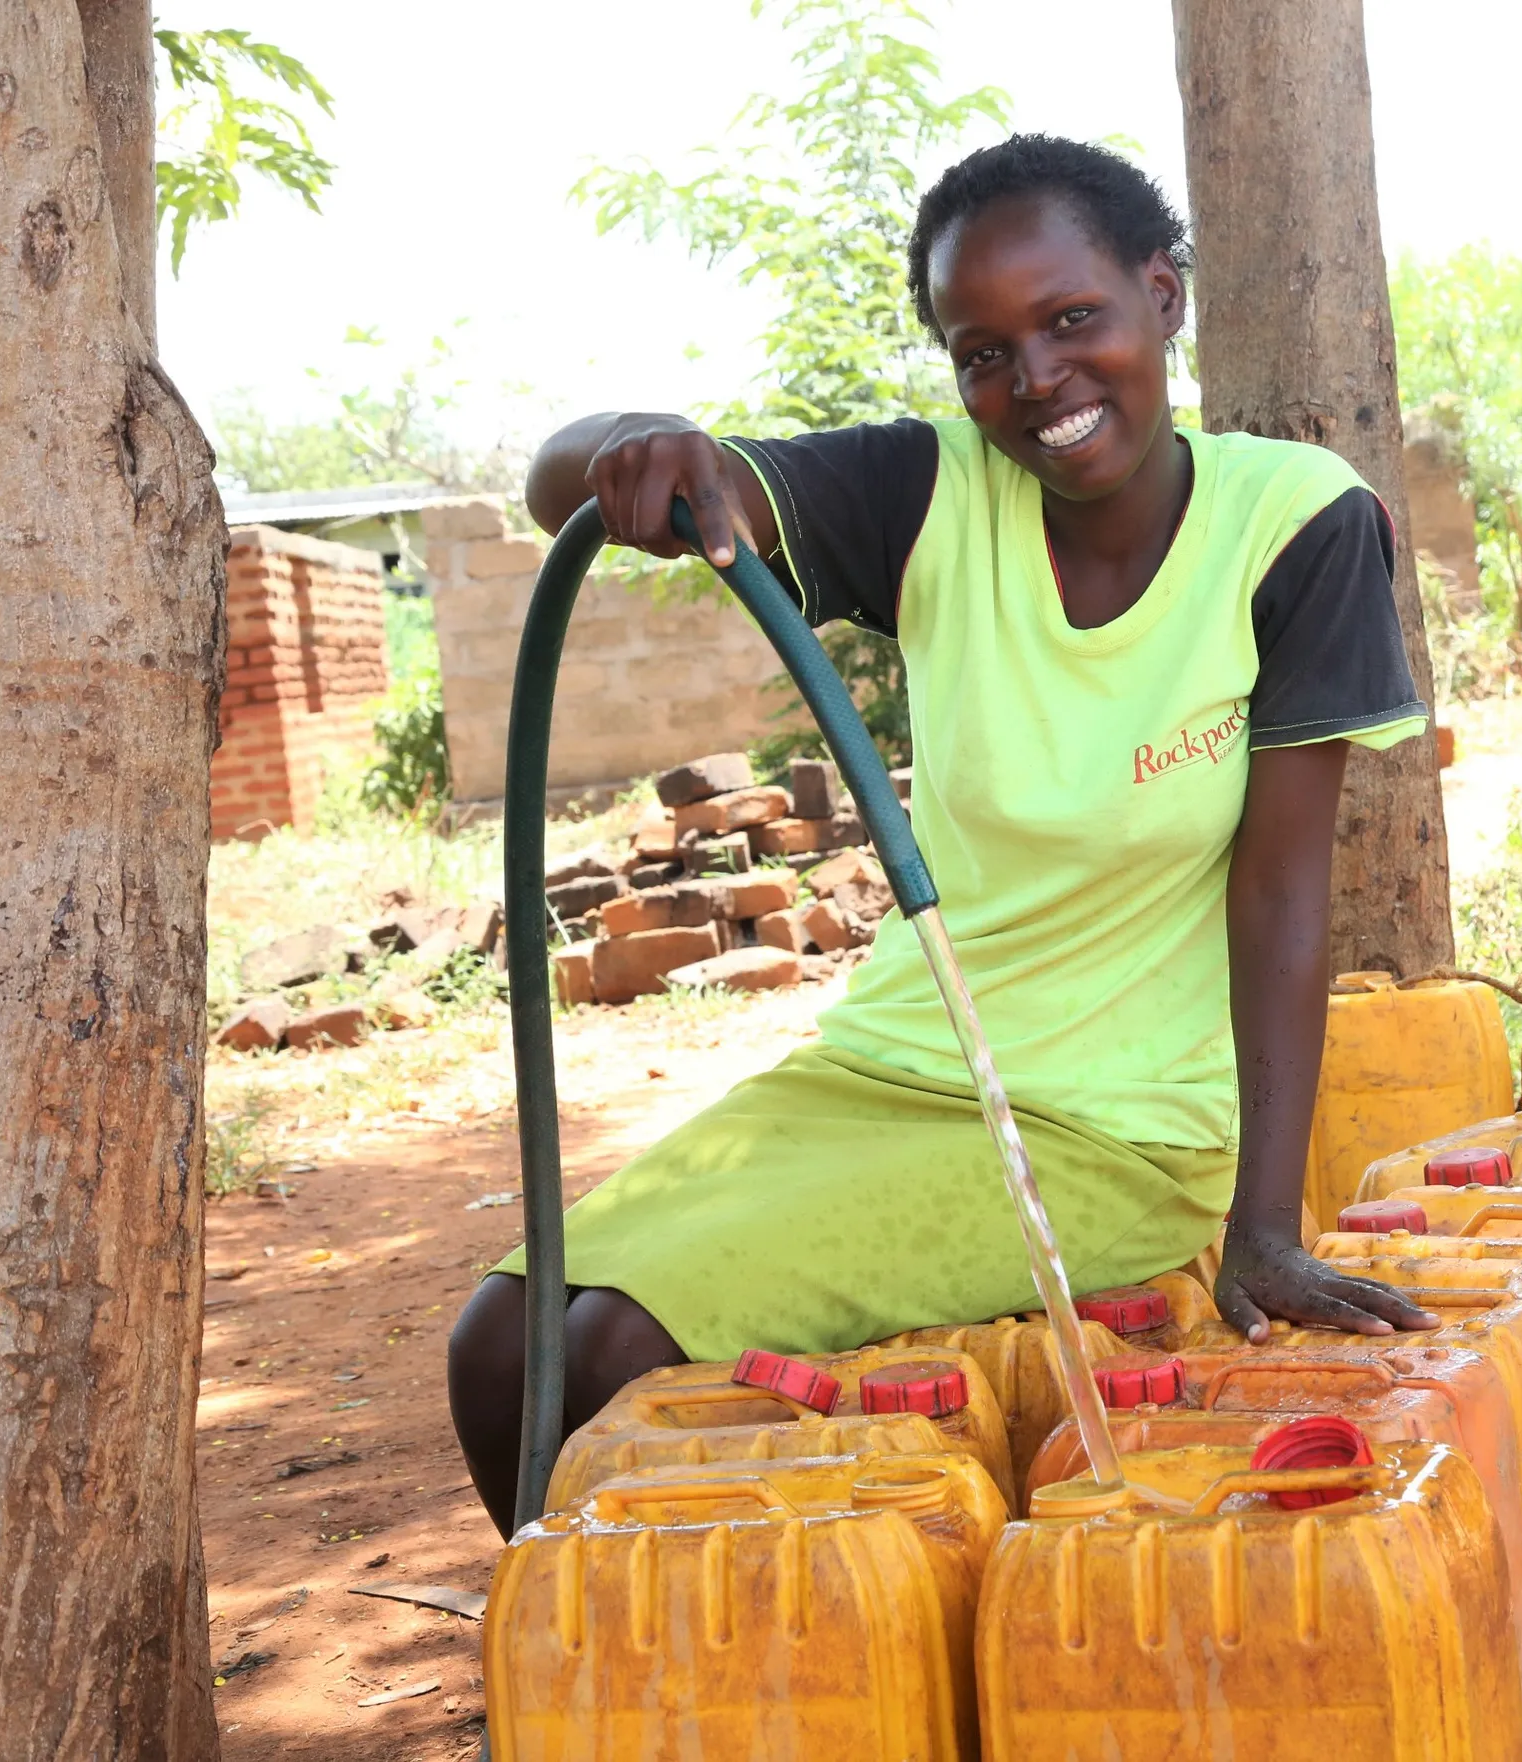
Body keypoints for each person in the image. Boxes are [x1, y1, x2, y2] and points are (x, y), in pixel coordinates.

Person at [446, 133, 1436, 1532]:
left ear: (1164, 295)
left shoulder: (1297, 528)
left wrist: (1262, 1229)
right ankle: (577, 1682)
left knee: (611, 1345)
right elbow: (572, 489)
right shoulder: (928, 493)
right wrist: (628, 446)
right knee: (499, 1346)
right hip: (891, 1069)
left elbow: (1281, 895)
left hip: (1110, 1132)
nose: (1036, 382)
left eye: (1073, 319)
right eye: (983, 352)